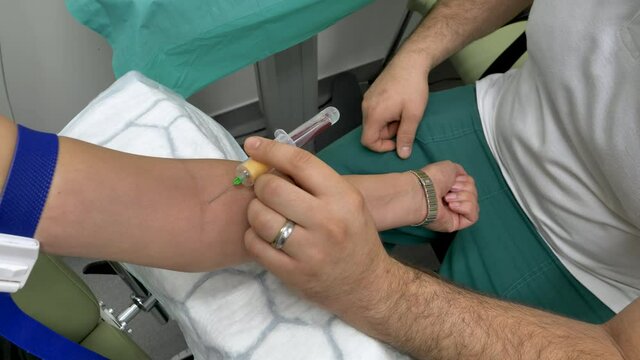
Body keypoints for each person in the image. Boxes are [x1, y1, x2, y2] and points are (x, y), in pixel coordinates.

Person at [242, 0, 640, 358]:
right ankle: (412, 198)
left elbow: (618, 350)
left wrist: (372, 285)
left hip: (588, 274)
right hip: (497, 119)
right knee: (260, 217)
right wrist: (415, 57)